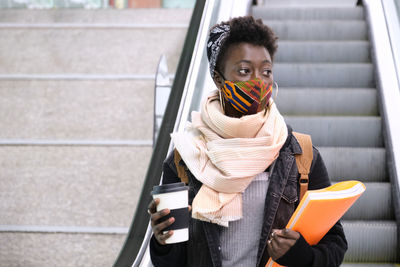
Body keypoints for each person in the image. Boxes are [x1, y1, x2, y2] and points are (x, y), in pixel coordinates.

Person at [148, 16, 347, 267]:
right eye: (244, 71)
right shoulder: (185, 158)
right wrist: (162, 240)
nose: (258, 81)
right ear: (219, 79)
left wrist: (303, 256)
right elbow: (169, 263)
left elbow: (336, 245)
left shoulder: (301, 156)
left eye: (266, 71)